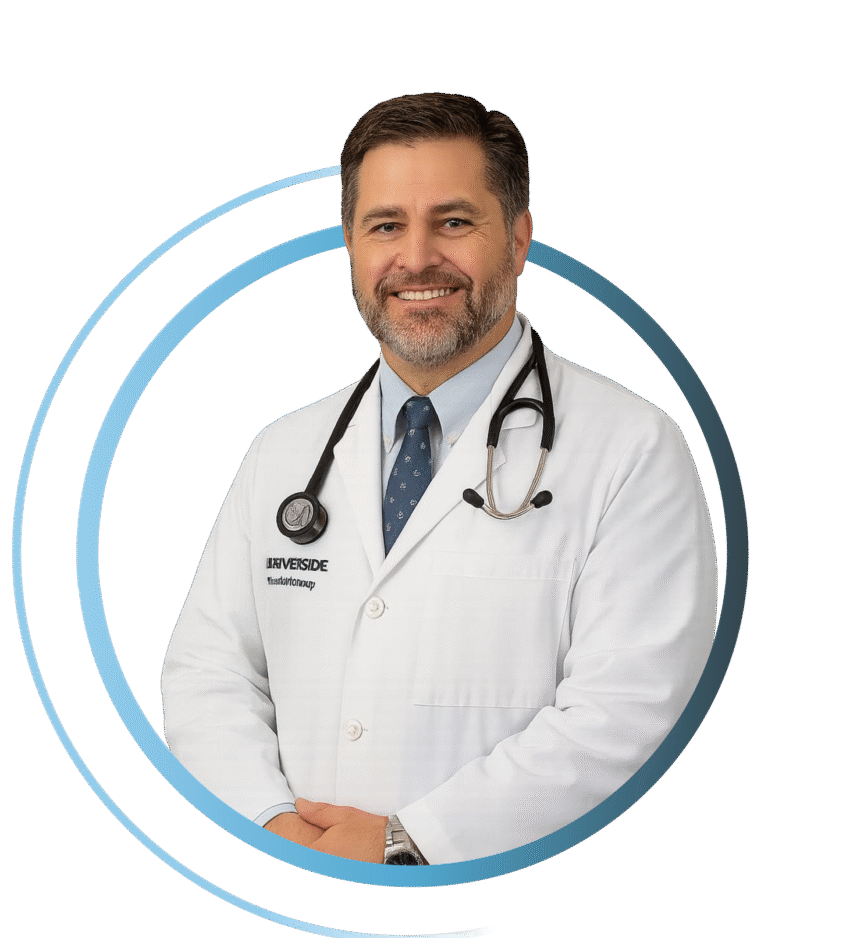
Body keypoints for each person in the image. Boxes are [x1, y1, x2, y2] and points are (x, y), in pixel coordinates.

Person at [160, 93, 717, 866]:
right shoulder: (283, 451)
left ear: (516, 240)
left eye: (453, 222)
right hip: (290, 883)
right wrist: (270, 823)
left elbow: (629, 709)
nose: (416, 258)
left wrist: (409, 841)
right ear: (350, 244)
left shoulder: (630, 448)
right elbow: (208, 670)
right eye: (385, 226)